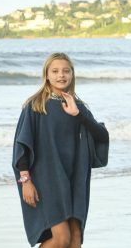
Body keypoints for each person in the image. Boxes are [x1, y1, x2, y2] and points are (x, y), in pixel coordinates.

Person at [12, 53, 109, 247]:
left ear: (72, 75)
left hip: (76, 178)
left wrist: (78, 114)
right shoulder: (36, 106)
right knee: (61, 238)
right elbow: (22, 145)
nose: (61, 75)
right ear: (46, 75)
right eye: (55, 71)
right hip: (47, 178)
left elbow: (102, 136)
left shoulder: (78, 106)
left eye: (66, 71)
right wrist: (26, 181)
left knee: (75, 239)